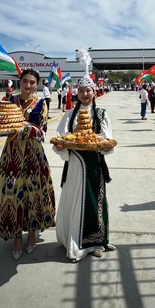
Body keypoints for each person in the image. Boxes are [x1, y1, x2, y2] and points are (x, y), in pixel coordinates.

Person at [0, 69, 56, 260]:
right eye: (25, 81)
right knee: (12, 194)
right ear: (20, 82)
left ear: (37, 84)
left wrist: (27, 128)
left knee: (33, 193)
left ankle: (32, 233)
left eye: (32, 82)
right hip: (12, 153)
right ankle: (16, 236)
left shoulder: (41, 103)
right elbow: (0, 123)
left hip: (33, 154)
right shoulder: (9, 101)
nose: (29, 85)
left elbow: (43, 130)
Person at [53, 75, 116, 262]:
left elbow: (107, 139)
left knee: (94, 201)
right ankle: (75, 241)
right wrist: (60, 146)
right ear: (77, 93)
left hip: (95, 165)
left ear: (94, 93)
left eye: (88, 91)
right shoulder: (70, 114)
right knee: (75, 199)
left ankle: (96, 242)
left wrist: (105, 145)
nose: (85, 94)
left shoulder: (102, 114)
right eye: (81, 91)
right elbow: (61, 136)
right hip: (75, 163)